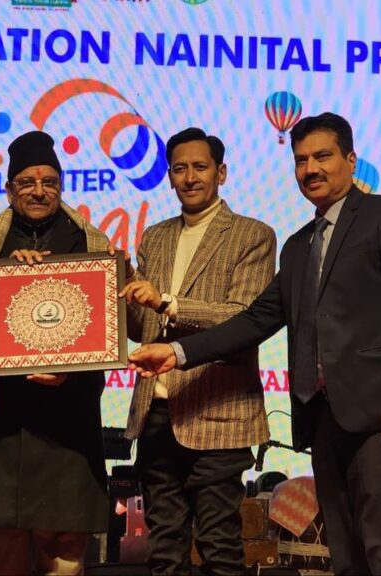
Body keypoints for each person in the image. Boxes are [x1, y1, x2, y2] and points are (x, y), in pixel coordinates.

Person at [128, 113, 381, 575]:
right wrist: (176, 353)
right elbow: (255, 320)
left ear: (351, 160)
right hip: (323, 418)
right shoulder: (299, 246)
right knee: (345, 555)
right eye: (301, 160)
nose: (311, 169)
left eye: (322, 156)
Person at [0, 131, 111, 575]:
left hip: (69, 427)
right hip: (1, 426)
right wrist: (6, 282)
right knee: (0, 556)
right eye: (27, 182)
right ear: (9, 189)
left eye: (50, 182)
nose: (39, 191)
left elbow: (111, 332)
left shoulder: (92, 245)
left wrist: (72, 373)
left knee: (64, 561)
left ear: (61, 187)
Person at [119, 127, 276, 575]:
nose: (190, 177)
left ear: (221, 173)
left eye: (200, 167)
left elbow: (243, 318)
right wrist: (122, 286)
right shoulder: (155, 237)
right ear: (169, 176)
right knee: (164, 551)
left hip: (218, 409)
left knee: (219, 546)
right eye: (179, 169)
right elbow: (143, 329)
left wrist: (167, 301)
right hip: (156, 413)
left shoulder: (253, 235)